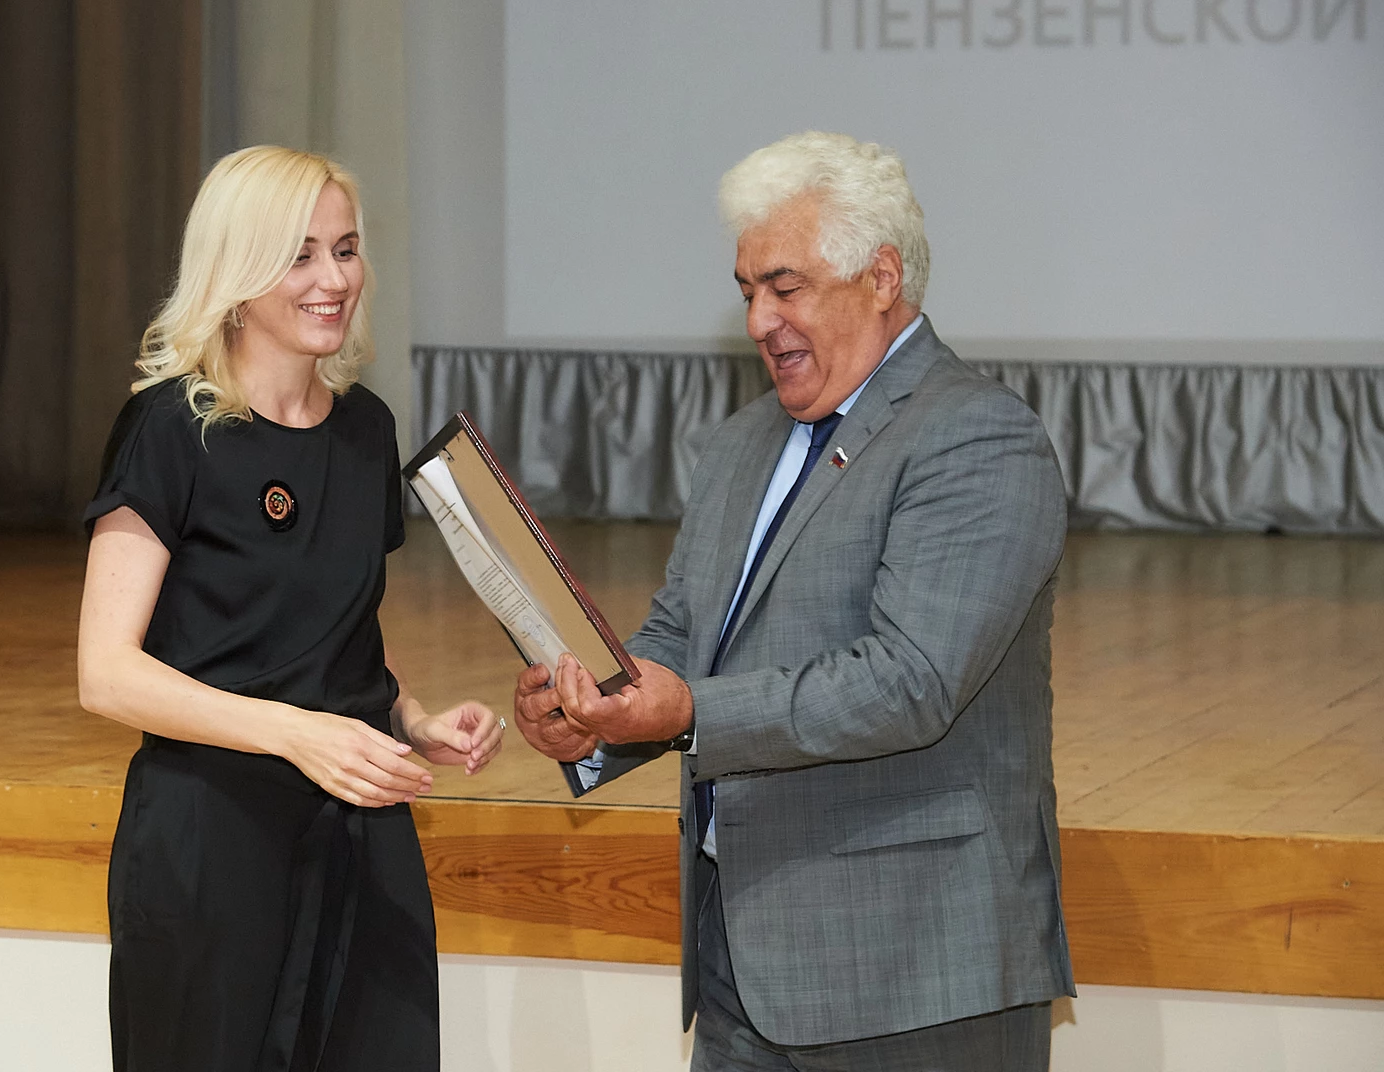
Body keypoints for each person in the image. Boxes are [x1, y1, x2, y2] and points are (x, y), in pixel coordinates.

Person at [514, 131, 1074, 1070]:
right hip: (742, 967)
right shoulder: (743, 441)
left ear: (882, 277)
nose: (758, 321)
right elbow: (684, 632)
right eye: (746, 291)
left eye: (786, 287)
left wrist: (687, 711)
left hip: (916, 974)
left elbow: (910, 682)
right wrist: (594, 713)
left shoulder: (976, 437)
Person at [77, 145, 504, 1072]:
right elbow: (106, 675)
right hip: (212, 836)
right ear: (236, 271)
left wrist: (412, 719)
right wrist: (294, 734)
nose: (334, 280)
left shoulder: (367, 429)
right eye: (299, 255)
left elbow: (331, 635)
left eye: (345, 250)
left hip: (360, 827)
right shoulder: (169, 429)